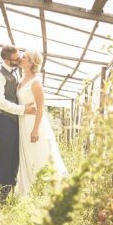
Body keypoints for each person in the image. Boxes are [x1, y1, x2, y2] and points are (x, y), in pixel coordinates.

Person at [15, 50, 68, 196]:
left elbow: (40, 107)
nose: (20, 58)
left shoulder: (36, 82)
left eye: (24, 57)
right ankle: (27, 189)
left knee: (38, 154)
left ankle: (45, 190)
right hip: (22, 122)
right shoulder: (20, 80)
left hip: (33, 123)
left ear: (30, 62)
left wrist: (35, 129)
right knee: (25, 154)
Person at [0, 45, 37, 202]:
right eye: (16, 59)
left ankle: (12, 185)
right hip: (3, 119)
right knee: (6, 154)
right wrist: (22, 109)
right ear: (6, 60)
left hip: (15, 118)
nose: (19, 60)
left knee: (16, 154)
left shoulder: (16, 72)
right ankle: (3, 192)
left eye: (20, 57)